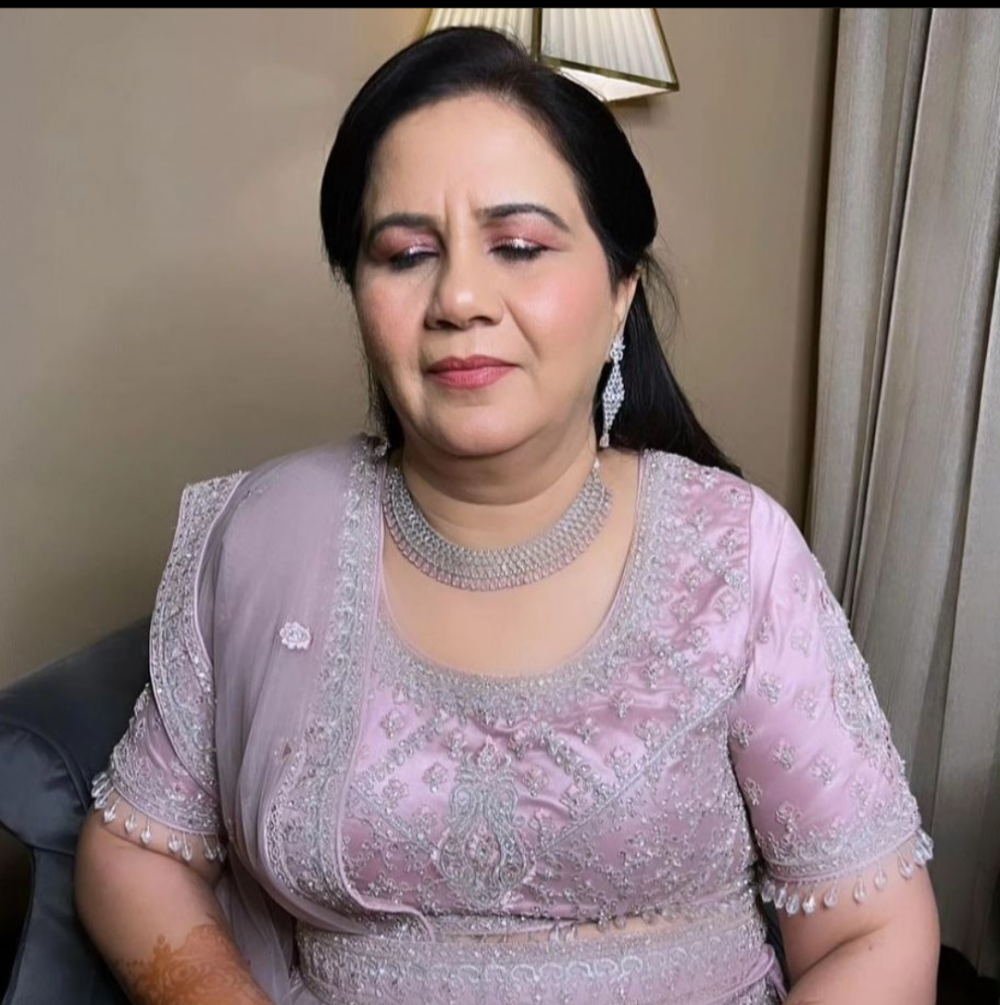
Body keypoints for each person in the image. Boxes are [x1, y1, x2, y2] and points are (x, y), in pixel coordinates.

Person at [73, 25, 940, 1005]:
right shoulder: (270, 534)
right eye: (405, 254)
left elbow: (874, 931)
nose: (459, 297)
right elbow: (134, 849)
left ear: (620, 291)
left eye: (519, 246)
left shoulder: (733, 554)